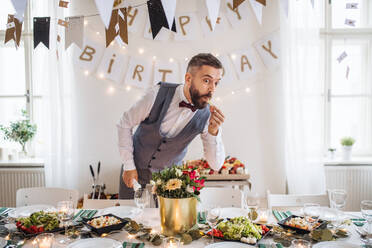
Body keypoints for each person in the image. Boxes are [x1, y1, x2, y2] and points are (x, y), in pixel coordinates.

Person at [117, 53, 226, 199]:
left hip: (169, 184)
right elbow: (125, 123)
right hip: (133, 173)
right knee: (127, 219)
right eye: (207, 80)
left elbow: (216, 165)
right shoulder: (156, 94)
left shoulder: (208, 117)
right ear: (188, 78)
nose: (212, 89)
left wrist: (214, 132)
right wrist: (129, 166)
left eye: (216, 83)